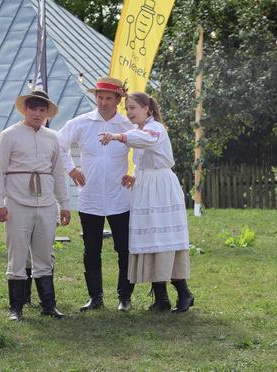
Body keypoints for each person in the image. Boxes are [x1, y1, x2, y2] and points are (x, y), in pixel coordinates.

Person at [99, 92, 194, 313]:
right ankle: (161, 297)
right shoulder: (140, 130)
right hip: (146, 185)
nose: (129, 112)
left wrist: (117, 136)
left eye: (133, 108)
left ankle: (184, 293)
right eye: (127, 108)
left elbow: (147, 140)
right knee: (151, 237)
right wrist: (136, 175)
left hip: (160, 187)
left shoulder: (155, 128)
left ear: (147, 109)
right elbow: (144, 153)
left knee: (164, 238)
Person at [57, 77, 136, 312]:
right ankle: (96, 297)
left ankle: (125, 297)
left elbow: (145, 149)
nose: (102, 102)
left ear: (118, 100)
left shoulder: (127, 126)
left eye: (108, 98)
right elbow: (59, 144)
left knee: (124, 248)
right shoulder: (81, 123)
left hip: (120, 196)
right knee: (91, 249)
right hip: (89, 197)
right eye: (99, 97)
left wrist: (136, 173)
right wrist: (71, 168)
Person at [0, 89, 71, 321]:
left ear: (47, 113)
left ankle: (48, 304)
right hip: (17, 202)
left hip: (46, 203)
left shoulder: (52, 137)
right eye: (33, 108)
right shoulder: (9, 135)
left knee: (44, 254)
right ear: (25, 110)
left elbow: (57, 173)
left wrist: (64, 204)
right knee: (17, 254)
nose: (37, 113)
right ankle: (16, 307)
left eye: (42, 109)